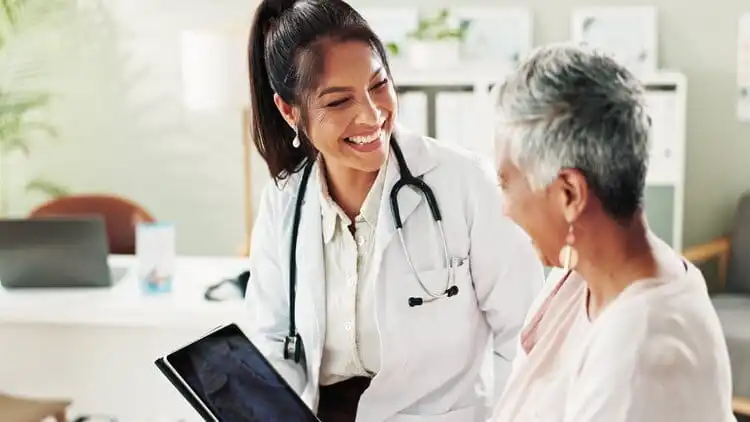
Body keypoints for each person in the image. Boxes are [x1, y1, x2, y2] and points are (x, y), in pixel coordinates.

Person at [244, 0, 544, 420]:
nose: (370, 114)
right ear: (289, 110)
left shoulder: (465, 183)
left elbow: (529, 336)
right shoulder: (284, 202)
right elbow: (272, 340)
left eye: (378, 85)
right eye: (338, 102)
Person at [491, 43, 736, 422]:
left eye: (505, 183)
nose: (504, 208)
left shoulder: (639, 360)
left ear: (569, 194)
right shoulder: (582, 272)